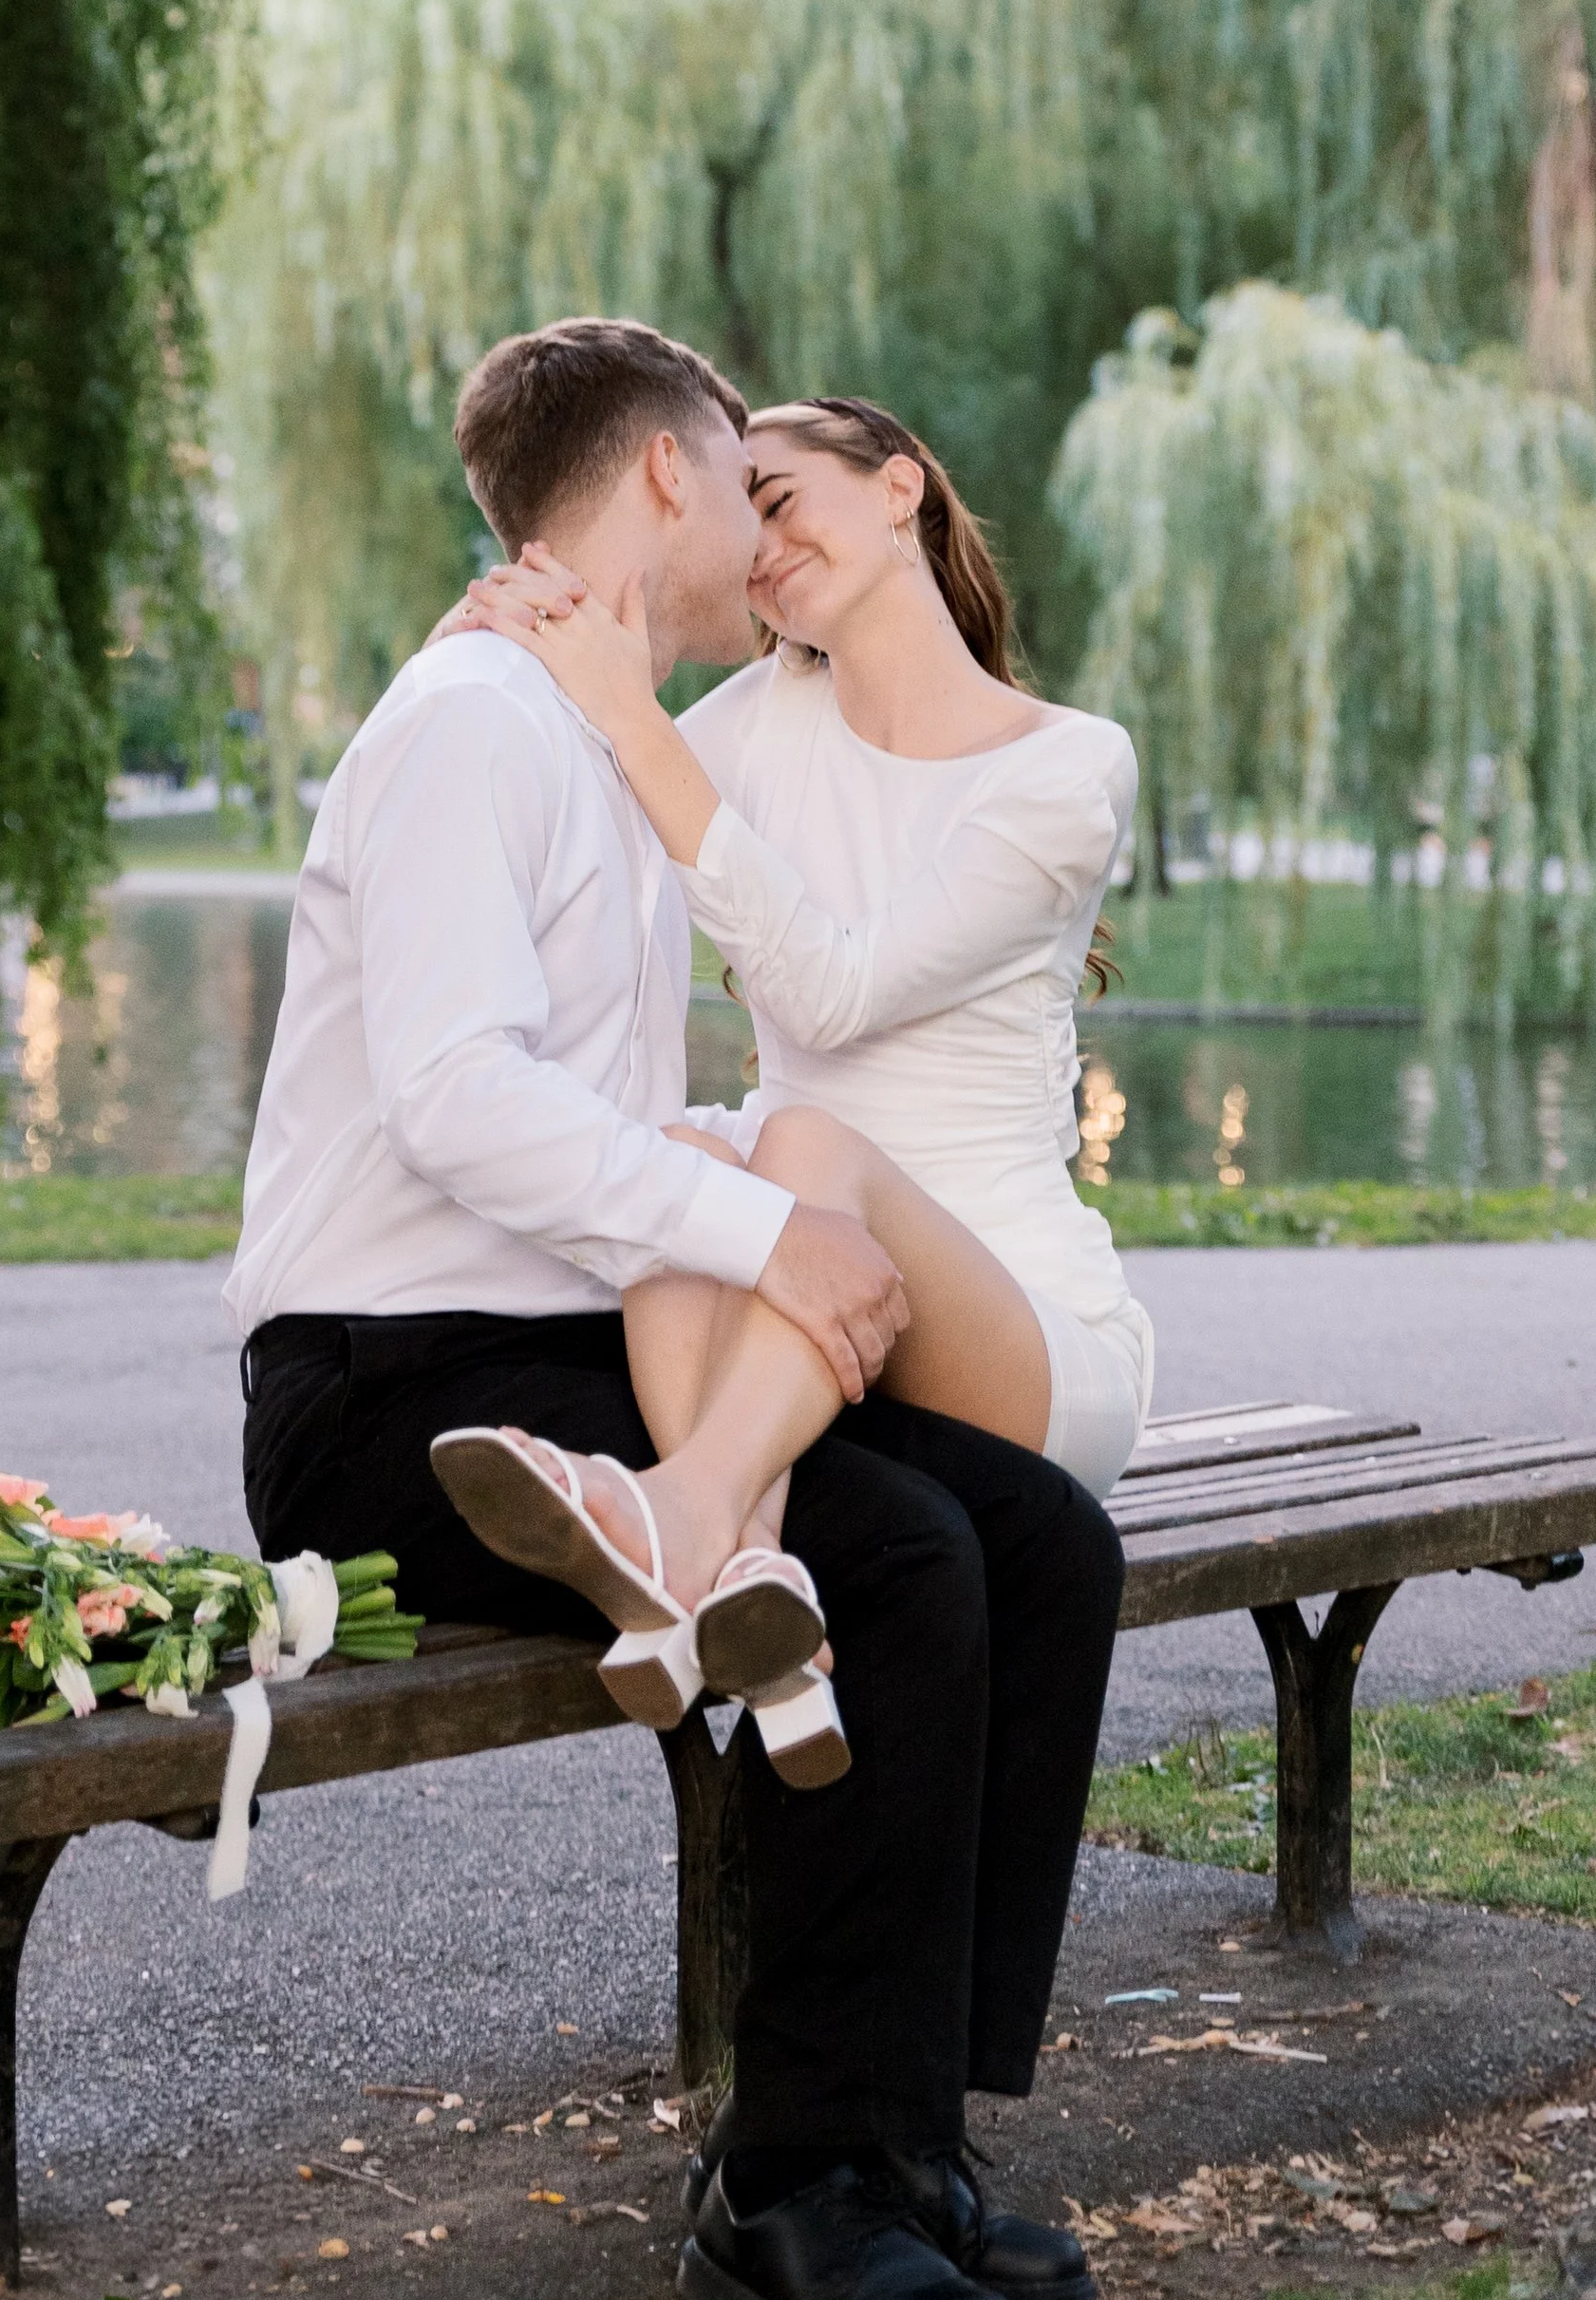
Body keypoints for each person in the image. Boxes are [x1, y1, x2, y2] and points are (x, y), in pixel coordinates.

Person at [229, 316, 1123, 2300]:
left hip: (552, 1351)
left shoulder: (594, 728)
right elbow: (453, 1099)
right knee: (896, 1560)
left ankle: (905, 2136)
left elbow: (604, 1129)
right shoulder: (466, 721)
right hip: (388, 1396)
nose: (759, 531)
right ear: (662, 481)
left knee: (1035, 1540)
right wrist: (769, 1224)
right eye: (743, 482)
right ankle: (787, 2189)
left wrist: (750, 1199)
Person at [445, 393, 1151, 1784]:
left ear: (901, 491)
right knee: (682, 1156)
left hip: (1022, 1337)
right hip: (814, 1331)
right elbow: (558, 800)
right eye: (729, 519)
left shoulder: (1069, 767)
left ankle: (680, 1509)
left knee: (796, 1147)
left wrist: (626, 707)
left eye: (776, 503)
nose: (754, 551)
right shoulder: (754, 727)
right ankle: (748, 1585)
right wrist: (495, 648)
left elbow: (833, 989)